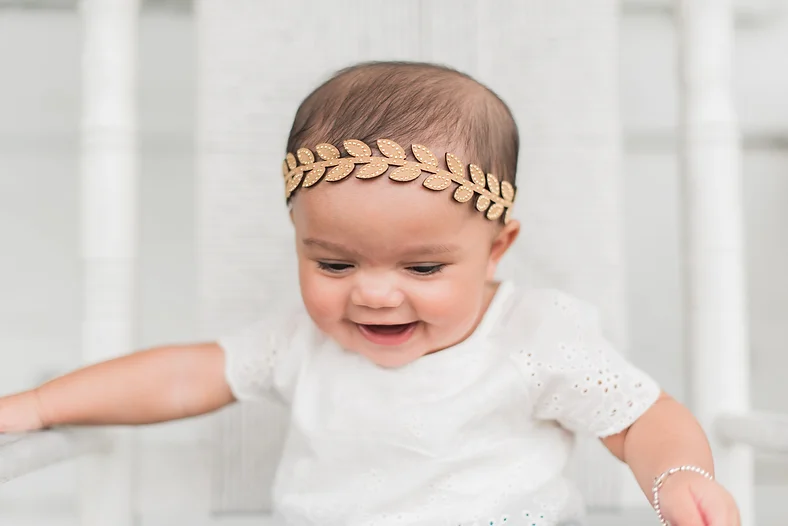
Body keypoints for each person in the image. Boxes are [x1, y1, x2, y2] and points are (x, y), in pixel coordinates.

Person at [0, 62, 739, 526]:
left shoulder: (535, 336)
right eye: (334, 263)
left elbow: (641, 420)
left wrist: (679, 475)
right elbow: (183, 375)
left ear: (496, 249)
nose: (376, 295)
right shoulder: (299, 341)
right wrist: (39, 405)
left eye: (424, 269)